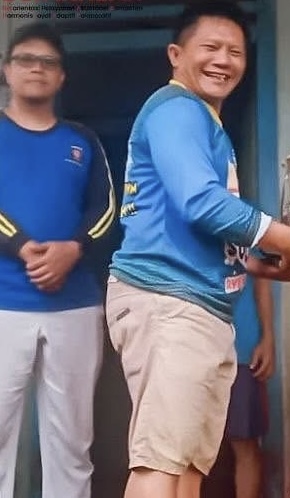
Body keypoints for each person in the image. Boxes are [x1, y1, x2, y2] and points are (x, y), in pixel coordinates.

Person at [105, 2, 290, 498]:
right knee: (161, 463)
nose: (223, 61)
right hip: (169, 299)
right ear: (176, 54)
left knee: (188, 465)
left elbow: (208, 227)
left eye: (235, 52)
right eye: (210, 47)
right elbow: (201, 203)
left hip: (199, 306)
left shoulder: (204, 122)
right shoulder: (177, 110)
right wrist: (289, 237)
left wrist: (268, 266)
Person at [0, 22, 116, 498]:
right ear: (7, 70)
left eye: (48, 62)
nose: (37, 69)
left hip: (75, 306)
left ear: (62, 76)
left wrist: (75, 248)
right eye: (26, 59)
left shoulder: (82, 140)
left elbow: (108, 208)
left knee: (71, 445)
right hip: (3, 304)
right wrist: (20, 244)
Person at [226, 278, 274, 498]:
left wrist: (268, 339)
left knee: (245, 442)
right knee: (185, 448)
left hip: (243, 348)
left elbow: (262, 282)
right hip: (196, 349)